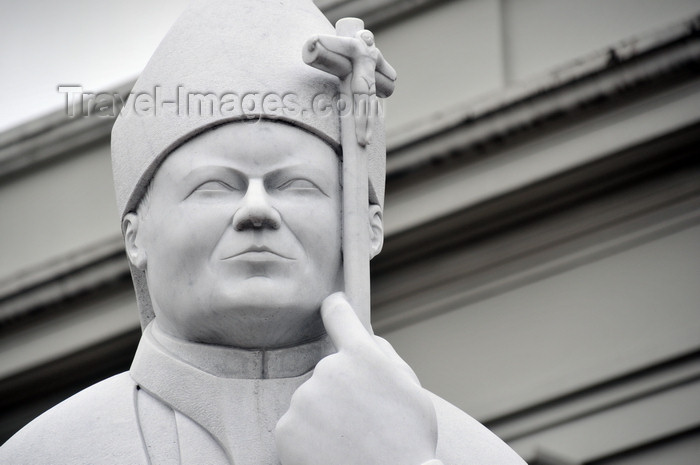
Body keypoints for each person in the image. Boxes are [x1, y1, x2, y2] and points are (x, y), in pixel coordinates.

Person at [0, 1, 526, 464]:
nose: (257, 210)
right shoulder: (50, 453)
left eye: (295, 185)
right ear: (135, 234)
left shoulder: (465, 455)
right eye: (214, 186)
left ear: (367, 229)